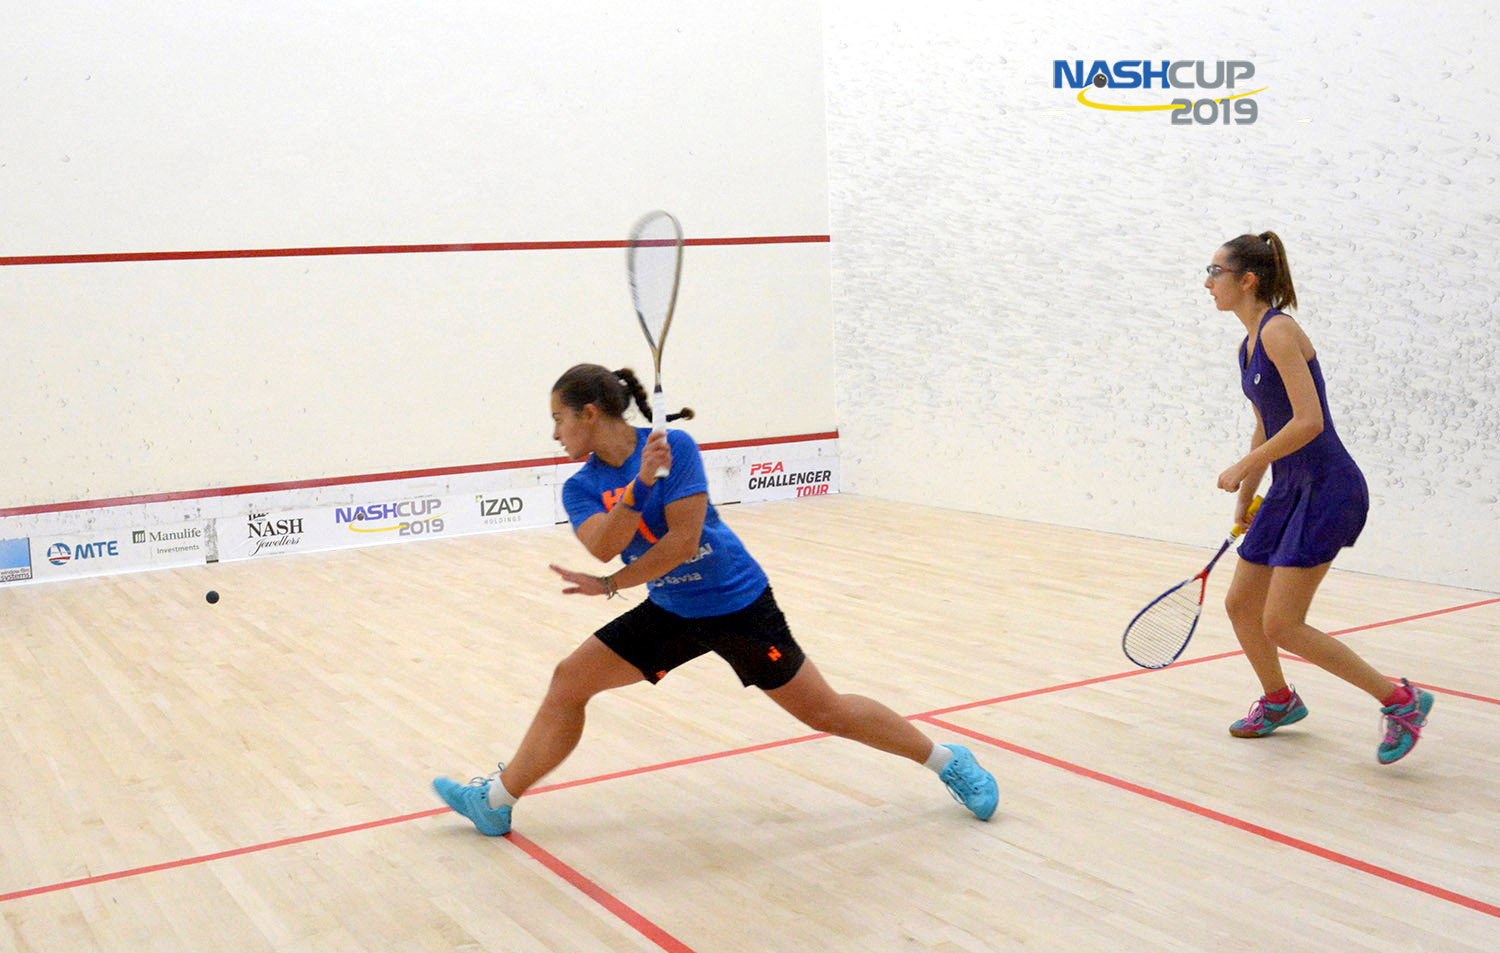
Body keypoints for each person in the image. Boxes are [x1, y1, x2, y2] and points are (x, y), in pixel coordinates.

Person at [432, 363, 998, 835]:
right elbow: (604, 546)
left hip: (738, 606)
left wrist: (612, 585)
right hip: (672, 612)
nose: (555, 434)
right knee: (569, 681)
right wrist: (640, 486)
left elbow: (682, 543)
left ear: (590, 414)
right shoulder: (581, 486)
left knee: (827, 712)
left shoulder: (674, 446)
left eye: (558, 418)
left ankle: (949, 761)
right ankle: (496, 802)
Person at [1205, 231, 1433, 764]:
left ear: (1247, 280)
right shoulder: (1247, 346)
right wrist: (1248, 493)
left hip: (1329, 489)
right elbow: (1266, 425)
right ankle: (1279, 701)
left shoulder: (1280, 331)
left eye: (1215, 272)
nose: (1208, 283)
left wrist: (1245, 466)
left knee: (1282, 624)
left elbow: (1309, 422)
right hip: (1287, 490)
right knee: (1241, 605)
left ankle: (1402, 702)